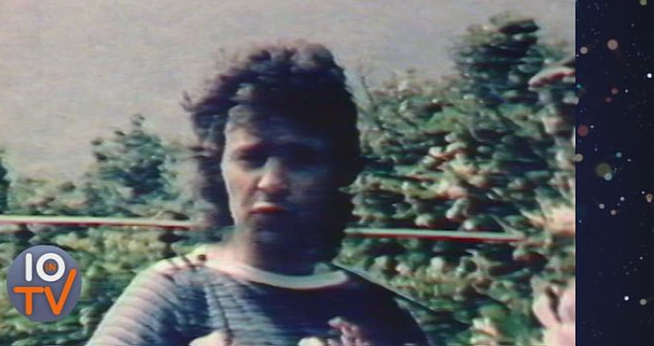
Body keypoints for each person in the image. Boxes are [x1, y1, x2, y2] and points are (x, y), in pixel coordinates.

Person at [88, 42, 431, 346]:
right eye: (251, 158)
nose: (272, 182)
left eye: (301, 160)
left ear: (339, 172)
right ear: (218, 168)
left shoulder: (377, 311)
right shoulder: (175, 294)